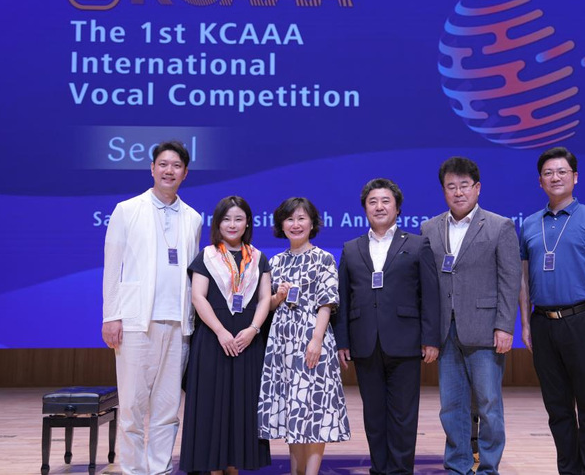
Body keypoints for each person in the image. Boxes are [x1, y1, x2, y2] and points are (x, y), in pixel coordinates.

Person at [102, 140, 202, 475]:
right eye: (163, 164)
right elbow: (112, 267)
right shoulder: (127, 210)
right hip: (135, 322)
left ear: (185, 173)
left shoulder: (193, 218)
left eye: (176, 166)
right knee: (132, 405)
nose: (169, 171)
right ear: (152, 168)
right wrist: (111, 316)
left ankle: (159, 468)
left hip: (179, 324)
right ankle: (133, 469)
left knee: (167, 407)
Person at [519, 147, 585, 475]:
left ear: (575, 177)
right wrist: (526, 324)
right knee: (558, 409)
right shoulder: (530, 224)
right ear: (540, 181)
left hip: (584, 320)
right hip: (543, 323)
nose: (555, 177)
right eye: (548, 173)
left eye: (562, 171)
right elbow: (523, 278)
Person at [421, 157, 521, 475]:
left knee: (489, 404)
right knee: (452, 406)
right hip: (445, 331)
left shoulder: (499, 226)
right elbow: (427, 284)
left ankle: (489, 468)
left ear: (477, 188)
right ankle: (458, 466)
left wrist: (505, 326)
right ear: (443, 191)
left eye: (464, 185)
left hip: (485, 329)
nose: (458, 192)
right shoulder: (429, 228)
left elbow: (510, 280)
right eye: (451, 186)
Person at [335, 178, 440, 475]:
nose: (379, 207)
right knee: (374, 414)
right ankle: (379, 469)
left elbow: (430, 294)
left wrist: (431, 338)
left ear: (397, 208)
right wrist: (343, 341)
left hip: (406, 341)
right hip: (364, 342)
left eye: (385, 201)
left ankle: (400, 470)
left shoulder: (417, 244)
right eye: (373, 202)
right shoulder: (351, 248)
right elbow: (343, 297)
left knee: (404, 415)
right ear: (364, 209)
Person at [179, 196, 272, 475]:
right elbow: (198, 297)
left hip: (248, 342)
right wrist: (220, 331)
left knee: (241, 406)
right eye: (226, 219)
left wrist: (253, 330)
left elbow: (265, 298)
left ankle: (234, 466)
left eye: (238, 219)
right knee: (211, 406)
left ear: (247, 224)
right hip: (212, 340)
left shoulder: (258, 258)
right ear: (218, 223)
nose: (232, 224)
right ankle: (213, 467)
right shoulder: (206, 256)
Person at [258, 197, 351, 475]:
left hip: (312, 338)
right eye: (289, 219)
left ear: (312, 223)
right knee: (293, 409)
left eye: (301, 218)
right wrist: (278, 296)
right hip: (282, 343)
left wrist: (316, 339)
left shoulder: (324, 258)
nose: (295, 224)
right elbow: (267, 306)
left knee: (314, 409)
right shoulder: (275, 261)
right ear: (281, 225)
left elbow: (327, 302)